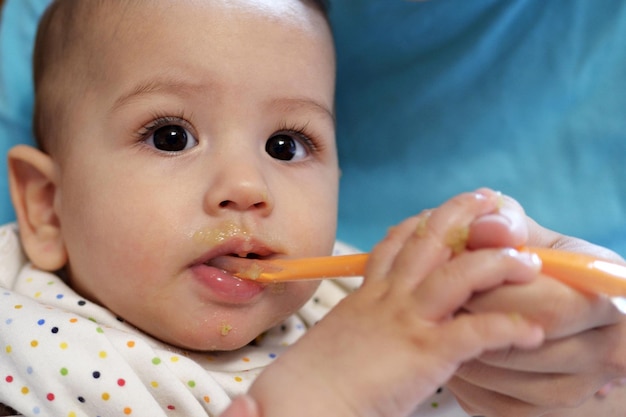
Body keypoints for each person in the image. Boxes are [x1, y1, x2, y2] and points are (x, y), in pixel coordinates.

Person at [0, 1, 624, 417]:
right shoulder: (22, 347)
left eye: (286, 145)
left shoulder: (365, 311)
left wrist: (563, 349)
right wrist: (328, 395)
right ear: (47, 207)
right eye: (170, 135)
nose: (247, 187)